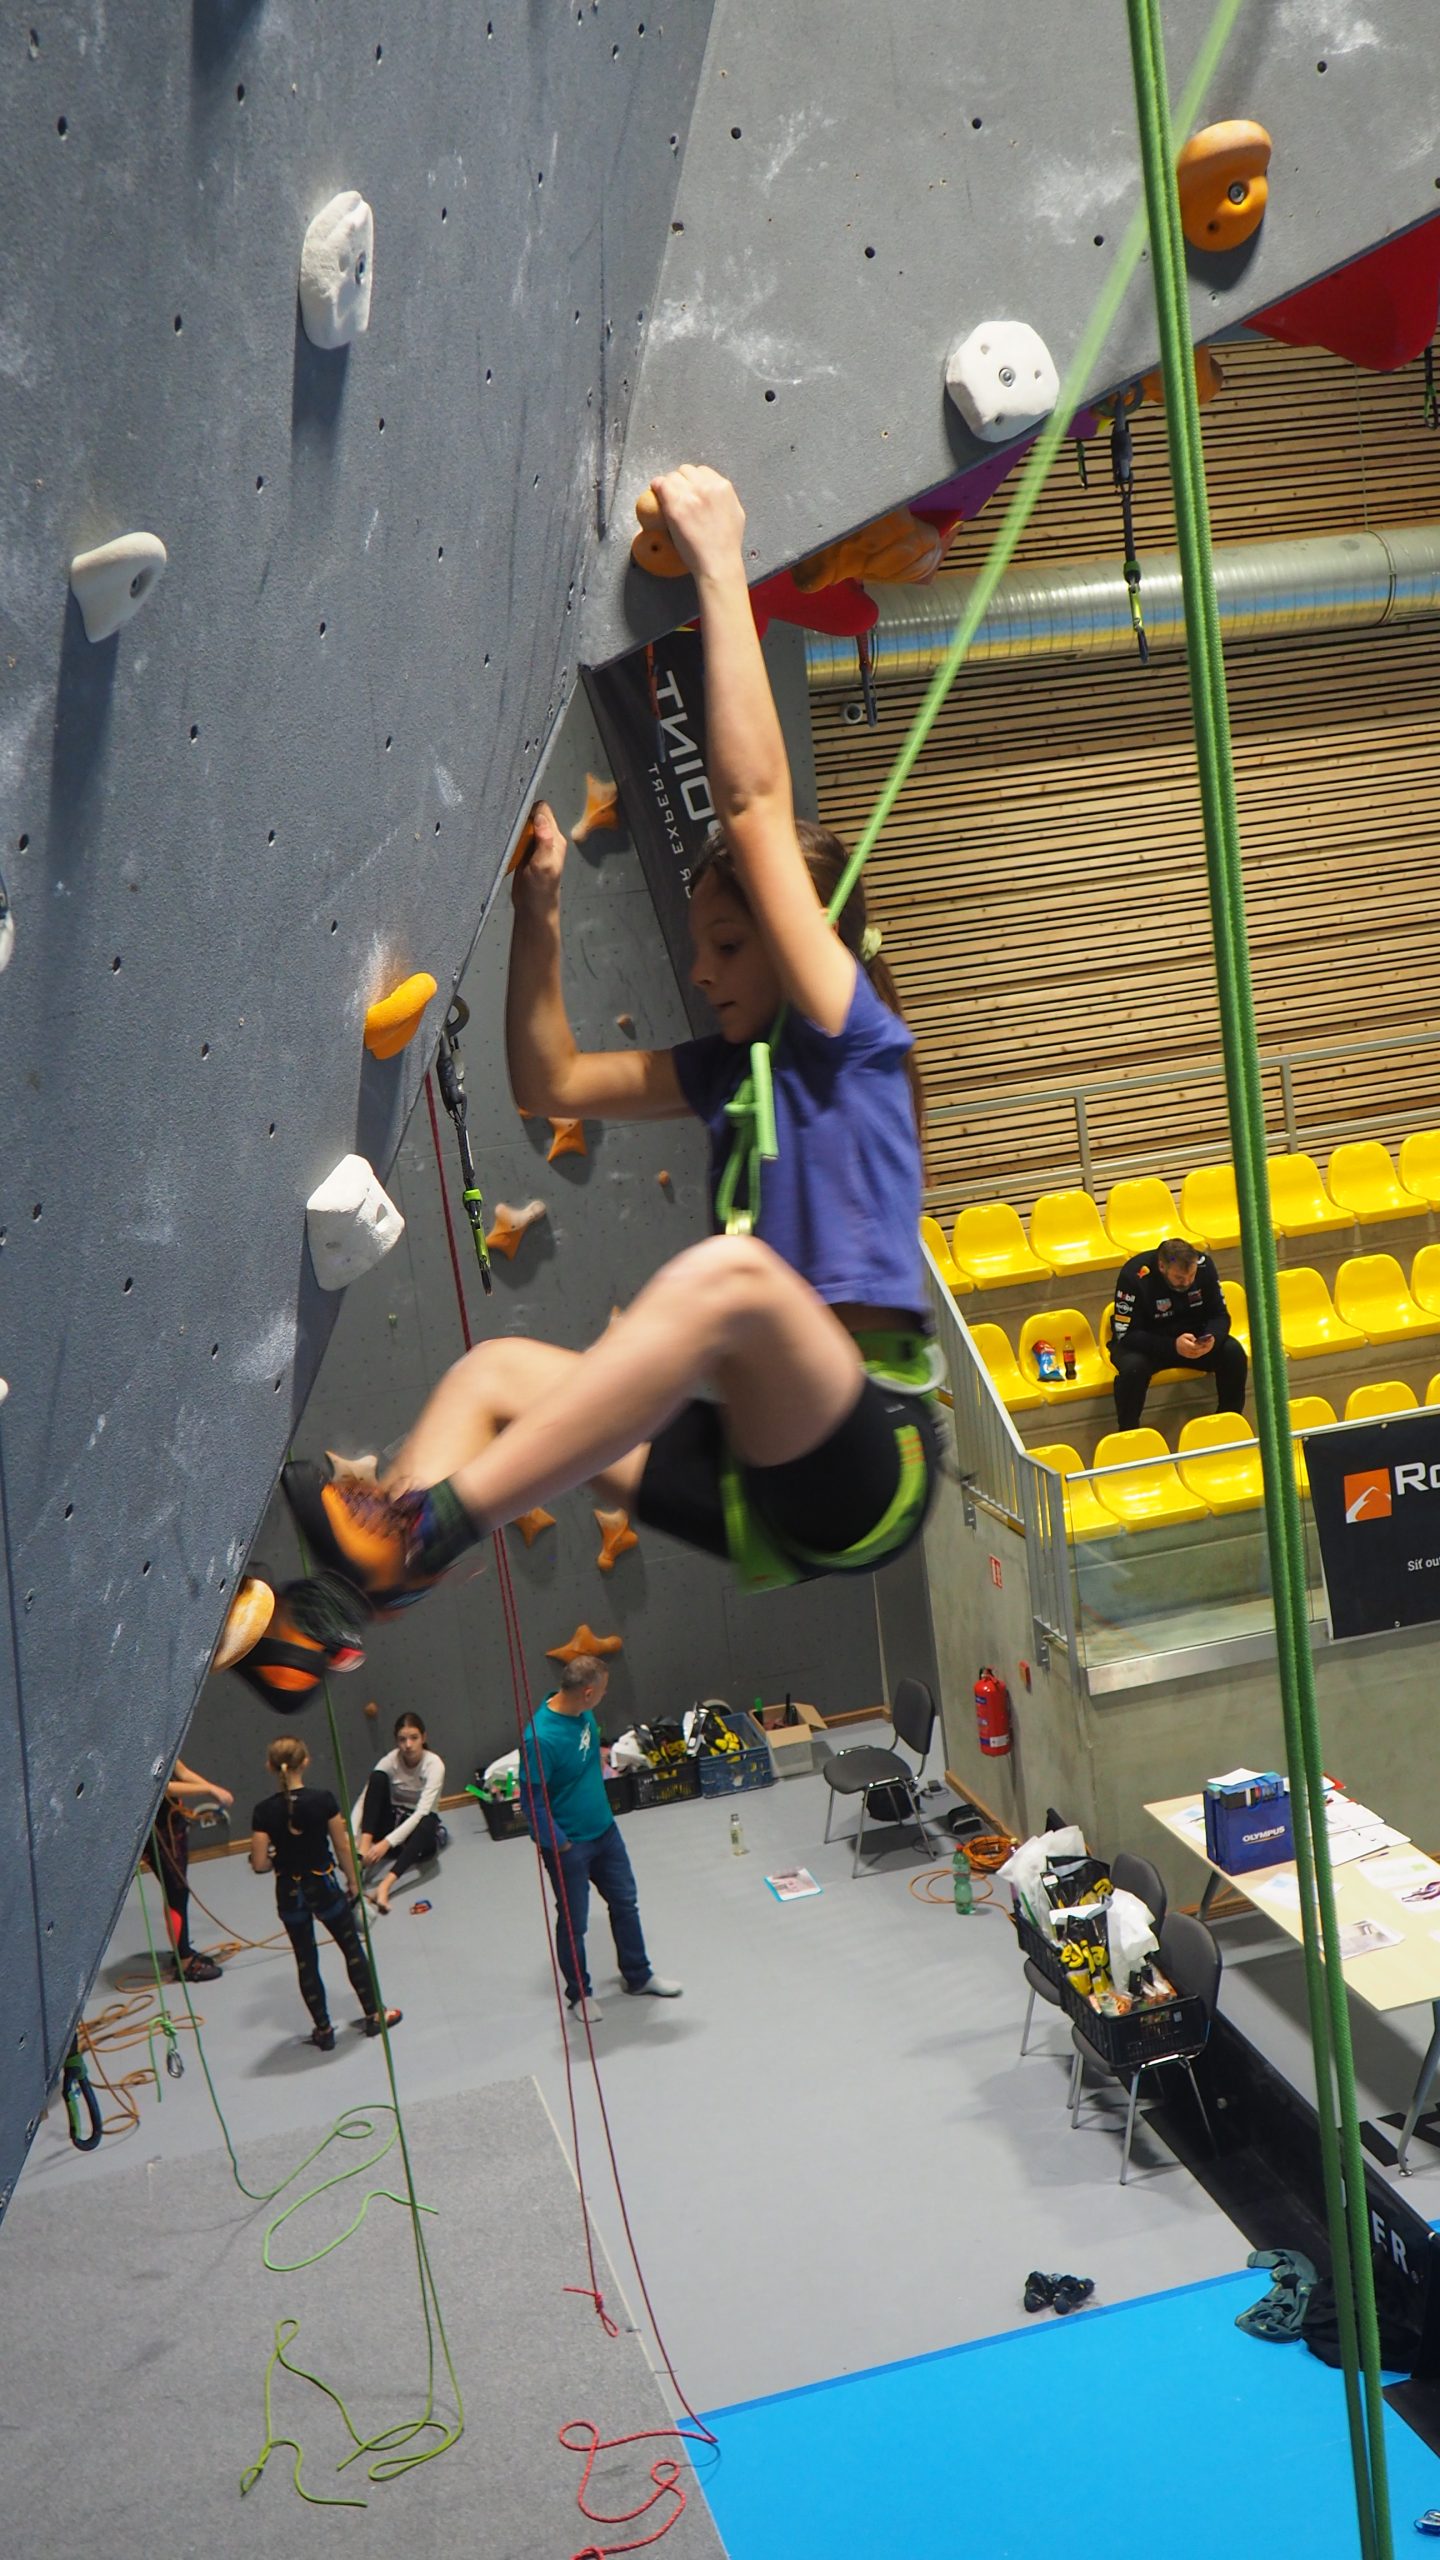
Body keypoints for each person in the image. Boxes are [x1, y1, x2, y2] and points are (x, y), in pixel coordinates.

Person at [270, 464, 938, 1658]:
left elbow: (753, 804)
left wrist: (723, 563)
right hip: (764, 1472)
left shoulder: (851, 1037)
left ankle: (423, 1530)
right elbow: (555, 1087)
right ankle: (329, 1624)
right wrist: (539, 913)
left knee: (732, 1282)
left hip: (866, 1459)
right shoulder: (736, 1074)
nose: (705, 970)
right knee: (493, 1377)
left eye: (730, 945)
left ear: (806, 941)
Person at [517, 1656, 680, 2026]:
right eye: (603, 1691)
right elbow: (531, 1803)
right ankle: (580, 1994)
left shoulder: (584, 1714)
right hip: (570, 1847)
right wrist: (560, 1844)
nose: (605, 1696)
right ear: (588, 1692)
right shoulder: (540, 1739)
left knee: (625, 1903)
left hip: (605, 1833)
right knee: (574, 1923)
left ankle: (638, 1976)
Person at [250, 1735, 402, 2050]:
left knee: (305, 1959)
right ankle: (374, 2014)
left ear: (269, 1766)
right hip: (323, 1886)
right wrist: (354, 1883)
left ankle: (323, 2029)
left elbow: (260, 1863)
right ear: (305, 1762)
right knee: (351, 1947)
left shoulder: (263, 1812)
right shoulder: (323, 1800)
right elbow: (343, 1847)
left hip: (289, 1892)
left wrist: (278, 1858)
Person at [1108, 1236, 1248, 1432]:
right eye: (1180, 1278)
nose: (1187, 1282)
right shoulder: (1135, 1274)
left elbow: (1220, 1315)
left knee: (1233, 1352)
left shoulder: (1204, 1265)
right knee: (1133, 1368)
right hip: (1149, 1343)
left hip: (1193, 1340)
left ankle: (1229, 1423)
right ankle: (1128, 1432)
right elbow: (1126, 1334)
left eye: (1191, 1276)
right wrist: (1173, 1346)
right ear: (1162, 1266)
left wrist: (1212, 1338)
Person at [145, 1756, 234, 1985]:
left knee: (177, 1890)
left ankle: (182, 1951)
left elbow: (182, 1772)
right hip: (158, 1831)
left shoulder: (161, 1743)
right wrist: (208, 1789)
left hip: (172, 1824)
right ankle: (184, 1962)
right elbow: (163, 1788)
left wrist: (213, 1789)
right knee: (176, 1891)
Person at [353, 1711, 446, 1915]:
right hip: (393, 1822)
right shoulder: (391, 1759)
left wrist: (386, 1843)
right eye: (402, 1739)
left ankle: (384, 1886)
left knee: (428, 1821)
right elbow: (364, 1798)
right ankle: (364, 1854)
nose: (408, 1745)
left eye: (414, 1738)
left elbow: (421, 1813)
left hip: (416, 1830)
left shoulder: (434, 1765)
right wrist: (355, 1838)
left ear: (424, 1738)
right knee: (377, 1778)